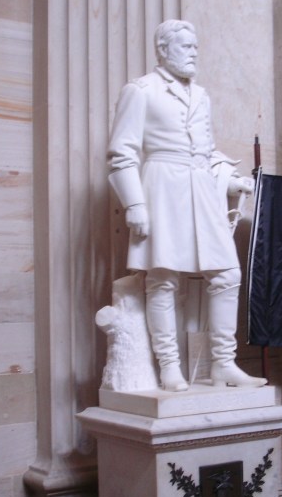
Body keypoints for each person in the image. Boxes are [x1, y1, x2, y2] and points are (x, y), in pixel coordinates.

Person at [107, 19, 266, 392]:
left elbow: (206, 152)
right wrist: (134, 204)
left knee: (227, 274)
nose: (194, 53)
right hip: (162, 185)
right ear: (163, 49)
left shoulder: (202, 94)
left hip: (201, 189)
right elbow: (122, 153)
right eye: (186, 46)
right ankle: (169, 366)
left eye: (196, 46)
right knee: (162, 279)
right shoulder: (140, 91)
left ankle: (224, 364)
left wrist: (230, 181)